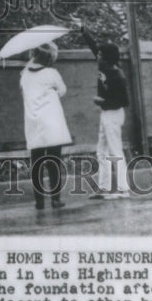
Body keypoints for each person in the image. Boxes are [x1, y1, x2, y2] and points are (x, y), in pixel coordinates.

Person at [75, 23, 130, 199]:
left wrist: (102, 100)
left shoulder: (117, 75)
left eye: (100, 55)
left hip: (113, 114)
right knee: (102, 151)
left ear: (106, 58)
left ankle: (123, 188)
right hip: (106, 114)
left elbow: (124, 101)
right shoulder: (104, 67)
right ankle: (104, 187)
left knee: (115, 150)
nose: (97, 56)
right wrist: (83, 29)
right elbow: (94, 46)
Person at [19, 41, 72, 211]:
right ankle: (55, 199)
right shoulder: (51, 73)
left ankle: (39, 202)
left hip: (34, 123)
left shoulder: (25, 74)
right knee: (54, 161)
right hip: (52, 121)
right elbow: (63, 90)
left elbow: (23, 90)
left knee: (37, 162)